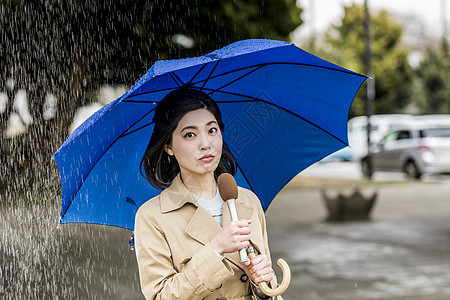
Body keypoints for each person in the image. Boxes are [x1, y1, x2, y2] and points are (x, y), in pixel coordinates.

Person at [135, 87, 282, 300]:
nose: (206, 144)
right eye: (190, 134)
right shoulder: (152, 216)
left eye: (212, 130)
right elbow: (159, 296)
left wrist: (262, 285)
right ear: (168, 146)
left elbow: (267, 289)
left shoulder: (247, 201)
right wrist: (216, 249)